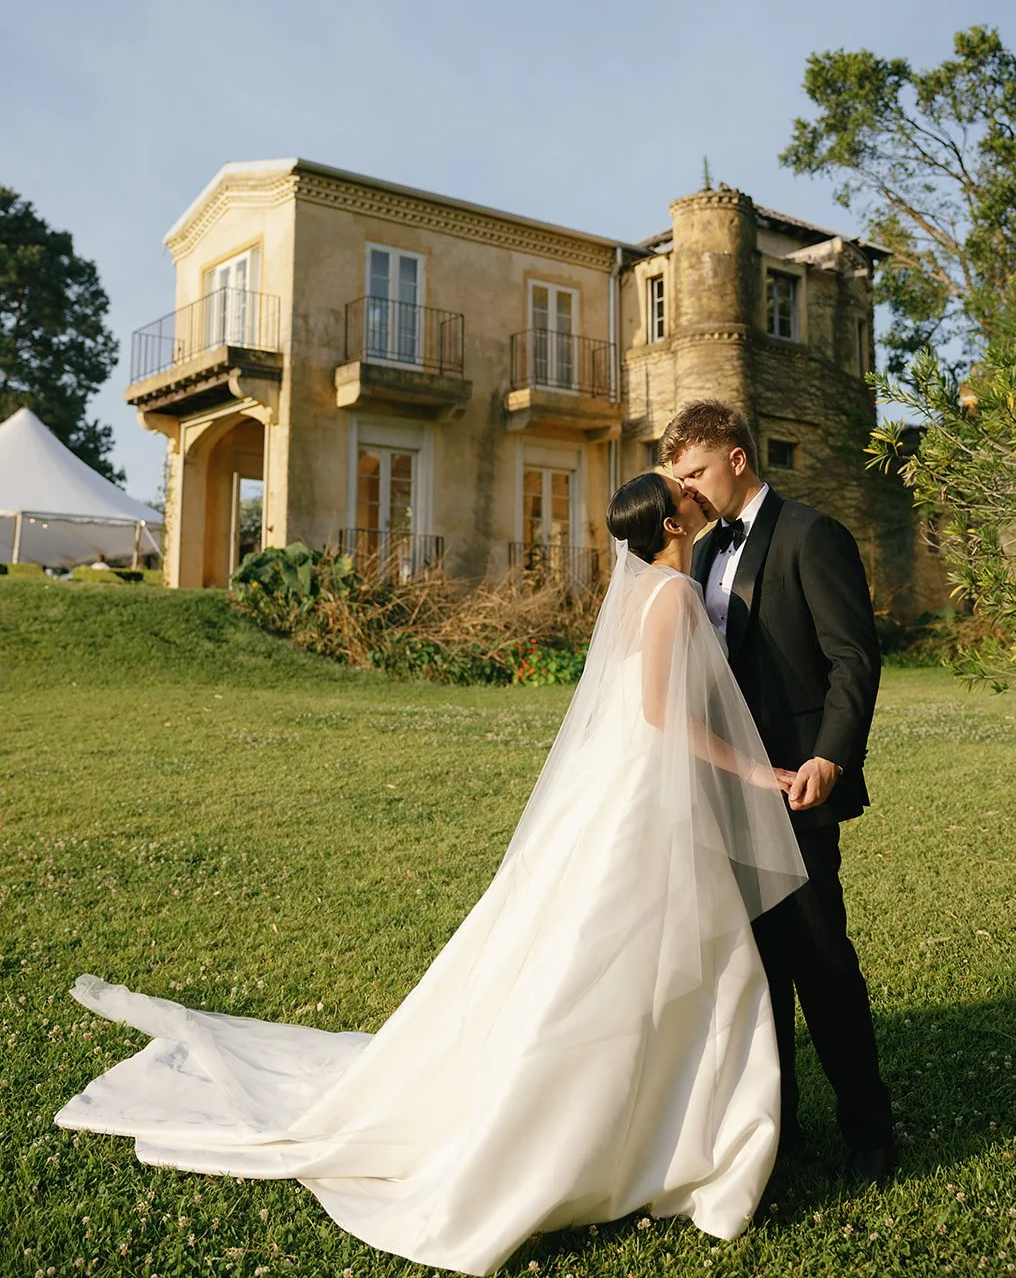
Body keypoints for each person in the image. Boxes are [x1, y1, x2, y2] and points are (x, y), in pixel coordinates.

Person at [56, 475, 807, 1277]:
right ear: (671, 524)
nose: (695, 493)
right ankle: (649, 1130)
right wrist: (753, 771)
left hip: (620, 788)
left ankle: (659, 1116)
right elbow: (661, 713)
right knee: (637, 951)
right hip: (642, 797)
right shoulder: (673, 595)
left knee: (616, 946)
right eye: (682, 491)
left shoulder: (637, 594)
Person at [661, 399, 896, 1184]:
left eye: (695, 472)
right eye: (678, 478)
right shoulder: (699, 554)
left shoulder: (809, 534)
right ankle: (777, 1124)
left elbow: (852, 658)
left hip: (797, 784)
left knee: (821, 960)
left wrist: (831, 756)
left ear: (736, 458)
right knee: (757, 970)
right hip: (723, 787)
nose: (687, 490)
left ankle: (869, 1132)